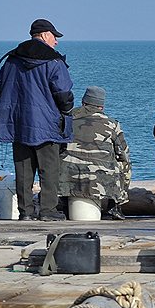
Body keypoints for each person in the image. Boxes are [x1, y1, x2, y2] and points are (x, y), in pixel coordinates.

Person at [0, 18, 74, 221]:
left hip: (19, 124)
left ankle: (26, 212)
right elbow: (63, 93)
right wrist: (65, 111)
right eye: (54, 37)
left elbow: (0, 89)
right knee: (49, 170)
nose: (56, 41)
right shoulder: (53, 61)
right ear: (45, 35)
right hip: (47, 125)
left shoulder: (12, 60)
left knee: (23, 171)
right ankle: (48, 210)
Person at [59, 87, 132, 220]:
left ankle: (62, 202)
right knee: (125, 164)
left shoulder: (67, 120)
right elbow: (123, 153)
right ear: (101, 106)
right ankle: (115, 205)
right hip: (100, 175)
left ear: (83, 102)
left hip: (67, 173)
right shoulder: (111, 123)